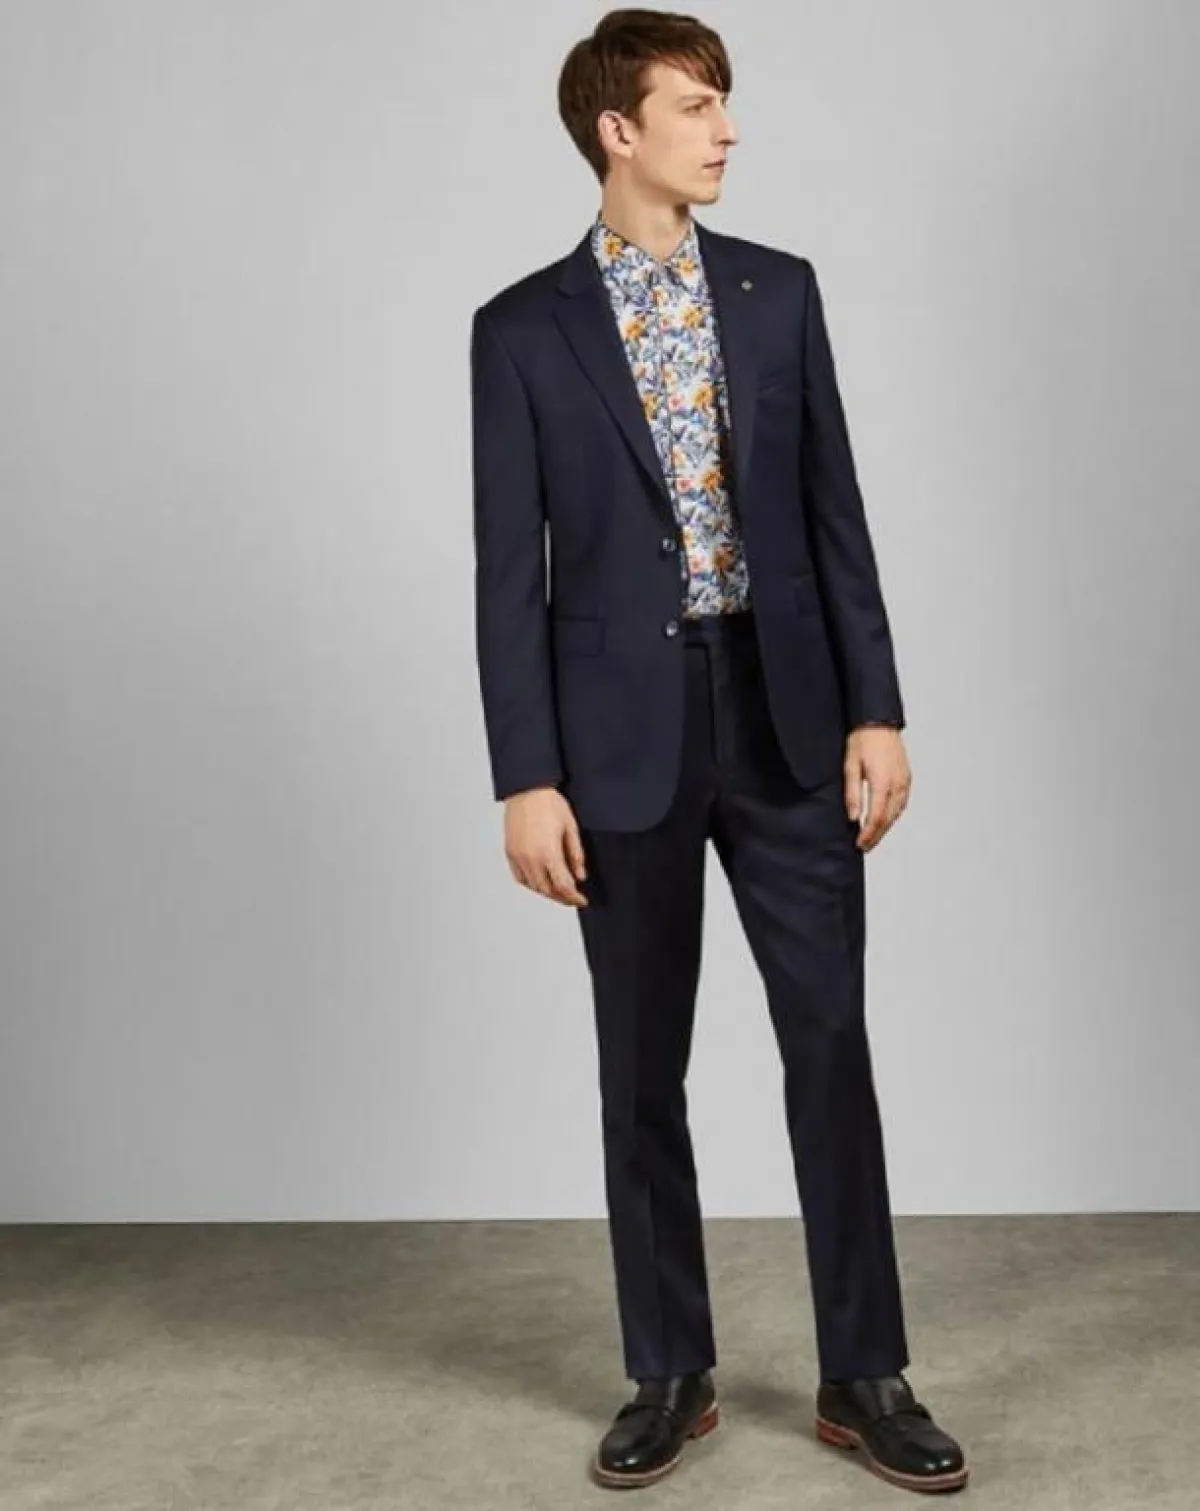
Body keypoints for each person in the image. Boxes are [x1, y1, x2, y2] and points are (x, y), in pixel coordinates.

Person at [468, 7, 968, 1496]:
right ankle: (668, 1371)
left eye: (725, 102)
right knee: (641, 1065)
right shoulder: (522, 329)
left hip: (787, 711)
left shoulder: (778, 292)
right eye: (696, 105)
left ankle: (864, 1370)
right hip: (615, 739)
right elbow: (508, 577)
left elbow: (833, 510)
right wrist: (525, 776)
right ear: (617, 130)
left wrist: (878, 708)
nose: (727, 129)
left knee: (831, 1042)